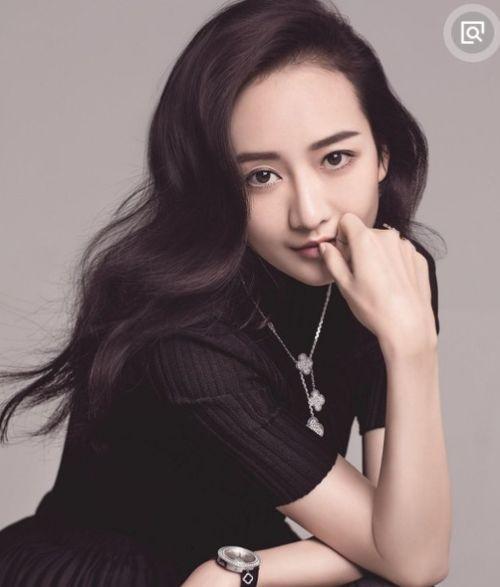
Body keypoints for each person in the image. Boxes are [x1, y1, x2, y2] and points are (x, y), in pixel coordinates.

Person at [0, 0, 451, 585]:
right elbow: (407, 548)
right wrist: (378, 545)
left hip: (238, 562)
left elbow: (412, 549)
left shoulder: (392, 275)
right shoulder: (185, 335)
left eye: (336, 158)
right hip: (112, 570)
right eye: (261, 176)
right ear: (213, 187)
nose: (309, 213)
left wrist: (411, 346)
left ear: (383, 154)